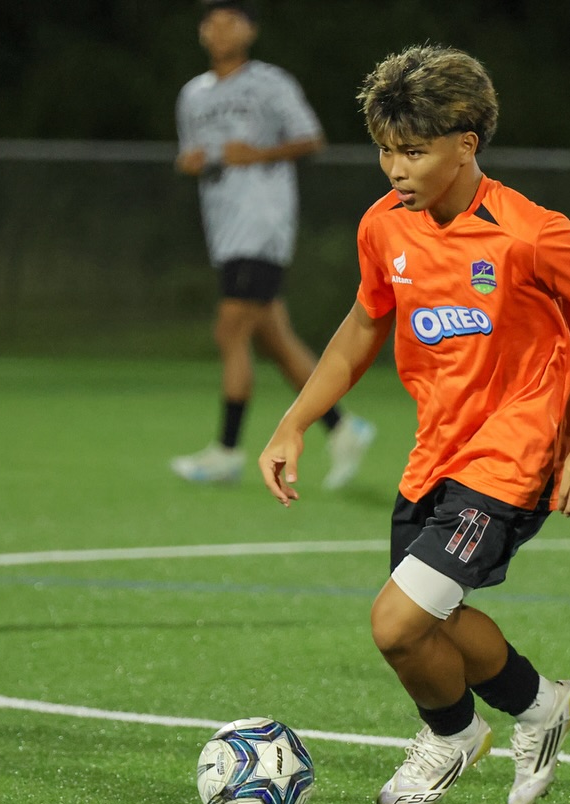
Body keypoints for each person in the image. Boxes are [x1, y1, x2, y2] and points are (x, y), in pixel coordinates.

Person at [257, 46, 570, 804]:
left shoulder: (528, 232)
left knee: (396, 621)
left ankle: (451, 734)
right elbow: (360, 326)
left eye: (414, 151)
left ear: (466, 142)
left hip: (516, 457)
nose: (395, 169)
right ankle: (540, 705)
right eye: (385, 150)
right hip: (434, 453)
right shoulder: (384, 227)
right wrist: (294, 422)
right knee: (428, 625)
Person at [172, 0, 374, 488]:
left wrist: (260, 153)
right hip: (223, 227)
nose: (220, 30)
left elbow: (310, 138)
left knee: (229, 330)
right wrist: (191, 162)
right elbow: (188, 154)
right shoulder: (192, 95)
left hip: (262, 223)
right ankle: (343, 428)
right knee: (275, 340)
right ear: (202, 33)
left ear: (250, 30)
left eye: (231, 20)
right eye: (212, 22)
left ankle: (226, 451)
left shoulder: (270, 82)